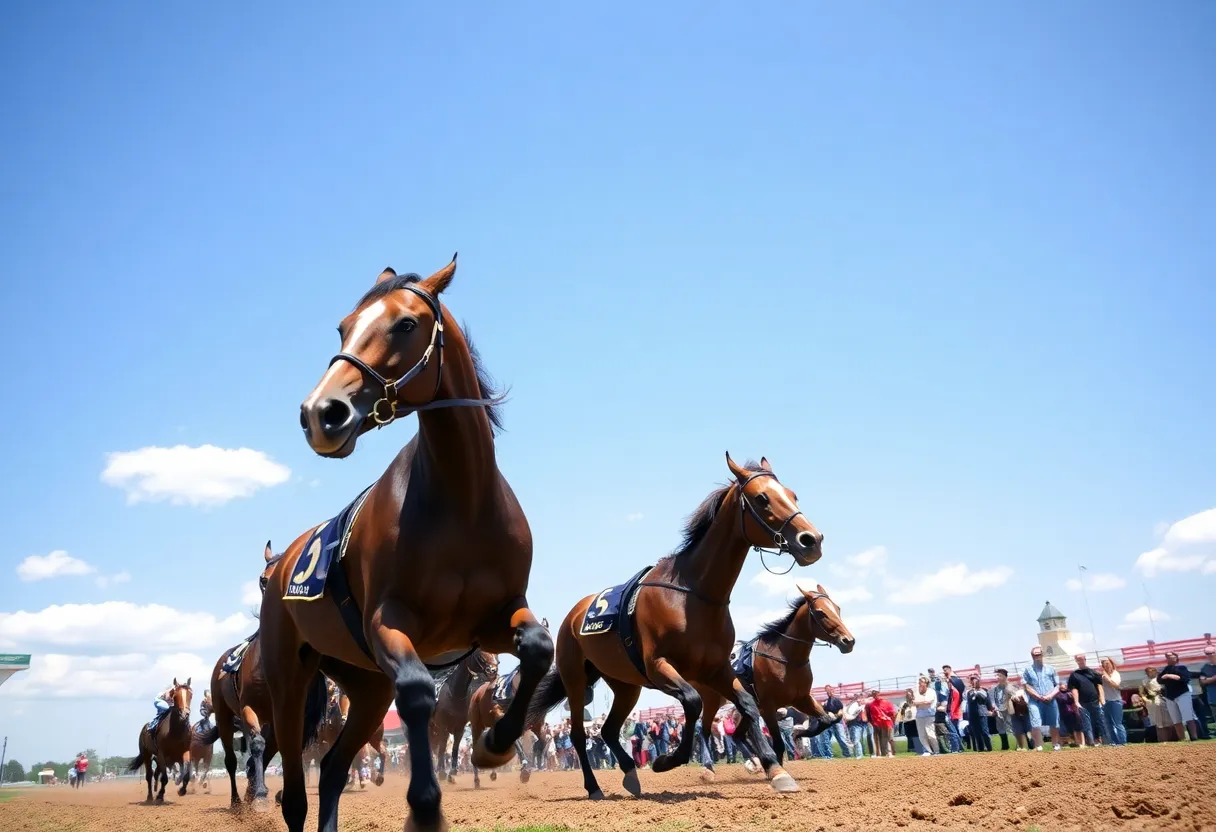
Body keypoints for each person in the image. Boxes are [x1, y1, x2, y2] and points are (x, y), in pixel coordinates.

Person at [1021, 646, 1062, 751]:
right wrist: (1038, 696)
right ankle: (1039, 745)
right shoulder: (1027, 670)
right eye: (1035, 655)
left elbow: (1058, 685)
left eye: (1039, 654)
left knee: (1054, 723)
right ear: (1032, 656)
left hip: (1050, 699)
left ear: (1042, 655)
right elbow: (1025, 686)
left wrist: (1050, 696)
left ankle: (1055, 744)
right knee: (1035, 723)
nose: (1037, 657)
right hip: (1035, 700)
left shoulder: (1051, 669)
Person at [1067, 653, 1105, 746]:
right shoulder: (1074, 675)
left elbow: (1099, 686)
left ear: (1085, 659)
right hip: (1083, 702)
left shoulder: (1093, 672)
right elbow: (1074, 689)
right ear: (1076, 661)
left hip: (1095, 701)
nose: (1080, 661)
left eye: (1081, 659)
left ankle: (1100, 740)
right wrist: (1076, 702)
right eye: (1078, 659)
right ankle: (1091, 742)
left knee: (1098, 721)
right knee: (1086, 723)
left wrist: (1102, 699)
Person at [1159, 651, 1198, 741]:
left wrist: (1171, 676)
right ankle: (1182, 738)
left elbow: (1185, 678)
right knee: (1176, 719)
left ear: (1176, 657)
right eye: (1167, 656)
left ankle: (1194, 737)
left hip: (1182, 694)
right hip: (1170, 696)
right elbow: (1159, 680)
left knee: (1188, 717)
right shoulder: (1165, 669)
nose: (1169, 657)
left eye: (1171, 656)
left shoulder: (1182, 667)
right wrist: (1166, 675)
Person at [1099, 657, 1127, 745]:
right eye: (1104, 663)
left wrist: (1107, 677)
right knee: (1108, 724)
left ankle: (1122, 742)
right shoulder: (1101, 676)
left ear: (1111, 663)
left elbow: (1115, 685)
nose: (1106, 664)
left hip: (1115, 701)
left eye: (1108, 663)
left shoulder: (1115, 674)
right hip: (1106, 701)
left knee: (1117, 723)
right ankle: (1113, 742)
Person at [821, 685, 854, 758]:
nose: (828, 691)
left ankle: (847, 754)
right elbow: (824, 711)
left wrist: (836, 715)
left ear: (833, 691)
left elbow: (841, 710)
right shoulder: (826, 702)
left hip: (838, 722)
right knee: (826, 739)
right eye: (827, 690)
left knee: (841, 738)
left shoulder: (836, 700)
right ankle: (829, 756)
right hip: (829, 723)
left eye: (830, 690)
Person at [1139, 666, 1170, 743]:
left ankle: (1170, 738)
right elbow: (1142, 693)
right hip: (1152, 702)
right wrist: (1146, 700)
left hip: (1163, 699)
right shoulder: (1144, 681)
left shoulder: (1161, 679)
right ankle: (1160, 739)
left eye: (1152, 670)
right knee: (1156, 721)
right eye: (1148, 671)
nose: (1151, 672)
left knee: (1167, 720)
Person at [964, 674, 993, 751]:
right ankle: (980, 748)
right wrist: (974, 691)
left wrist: (990, 710)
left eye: (975, 679)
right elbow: (970, 699)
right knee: (976, 732)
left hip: (982, 713)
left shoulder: (984, 691)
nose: (974, 681)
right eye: (972, 680)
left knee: (984, 731)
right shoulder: (969, 692)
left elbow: (987, 702)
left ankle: (989, 747)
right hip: (972, 714)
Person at [913, 676, 940, 756]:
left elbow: (928, 703)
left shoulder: (931, 692)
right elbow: (913, 703)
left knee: (930, 733)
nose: (919, 684)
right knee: (922, 735)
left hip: (929, 715)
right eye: (919, 682)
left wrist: (918, 703)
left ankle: (936, 750)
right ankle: (929, 751)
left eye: (921, 682)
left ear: (926, 683)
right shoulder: (916, 692)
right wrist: (920, 703)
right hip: (919, 715)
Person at [865, 689, 896, 758]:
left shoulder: (886, 702)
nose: (874, 695)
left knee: (889, 738)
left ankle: (891, 753)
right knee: (880, 739)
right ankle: (882, 754)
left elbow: (892, 713)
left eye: (876, 693)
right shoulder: (871, 704)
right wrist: (872, 722)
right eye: (873, 694)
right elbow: (870, 715)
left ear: (879, 693)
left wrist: (889, 718)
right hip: (877, 724)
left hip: (887, 723)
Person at [989, 669, 1013, 750]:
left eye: (999, 675)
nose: (997, 677)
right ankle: (1005, 745)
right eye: (996, 675)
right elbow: (992, 700)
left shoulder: (1010, 687)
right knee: (1000, 728)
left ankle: (1025, 743)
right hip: (999, 710)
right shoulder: (994, 688)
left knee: (1014, 726)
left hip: (1010, 709)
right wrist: (995, 707)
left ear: (1005, 676)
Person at [1198, 647, 1216, 738]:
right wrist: (1213, 678)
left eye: (1212, 653)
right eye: (1207, 653)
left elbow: (1205, 680)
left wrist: (1208, 679)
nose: (1210, 655)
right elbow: (1202, 681)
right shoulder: (1205, 667)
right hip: (1212, 697)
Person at [896, 690, 919, 754]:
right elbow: (901, 714)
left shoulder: (916, 702)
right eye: (907, 695)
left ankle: (917, 747)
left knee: (916, 735)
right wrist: (903, 708)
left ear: (912, 695)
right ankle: (910, 748)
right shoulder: (903, 703)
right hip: (907, 721)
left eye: (909, 695)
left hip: (915, 720)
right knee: (909, 735)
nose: (907, 696)